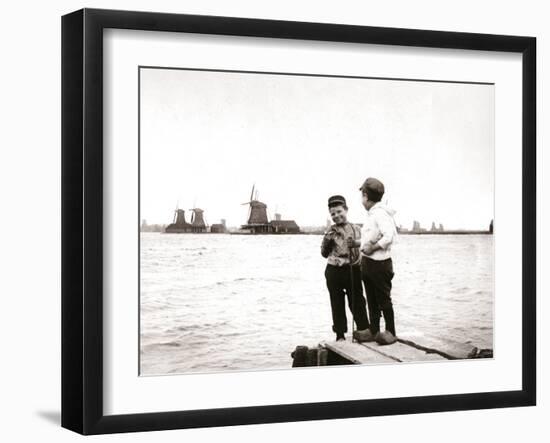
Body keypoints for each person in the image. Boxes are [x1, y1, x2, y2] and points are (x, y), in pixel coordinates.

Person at [349, 178, 398, 345]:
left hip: (380, 264)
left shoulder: (381, 214)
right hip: (368, 264)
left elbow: (389, 236)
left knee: (383, 299)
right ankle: (374, 329)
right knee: (371, 298)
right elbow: (368, 240)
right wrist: (356, 244)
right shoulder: (372, 214)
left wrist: (374, 247)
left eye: (362, 195)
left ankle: (391, 331)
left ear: (365, 196)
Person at [321, 195, 371, 342]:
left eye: (339, 212)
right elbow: (324, 254)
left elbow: (364, 248)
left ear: (346, 210)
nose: (336, 216)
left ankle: (363, 329)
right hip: (333, 271)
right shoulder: (330, 231)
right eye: (333, 214)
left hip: (353, 270)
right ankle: (340, 335)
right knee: (336, 302)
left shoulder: (356, 229)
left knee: (357, 301)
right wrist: (327, 241)